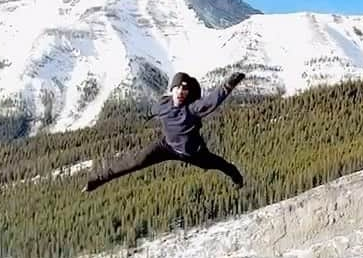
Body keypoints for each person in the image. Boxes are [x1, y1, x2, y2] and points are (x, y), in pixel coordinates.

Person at [84, 70, 246, 193]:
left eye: (185, 91)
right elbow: (152, 110)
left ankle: (237, 177)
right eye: (178, 89)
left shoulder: (192, 108)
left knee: (217, 164)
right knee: (134, 162)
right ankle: (95, 182)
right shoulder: (163, 104)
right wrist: (143, 117)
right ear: (172, 89)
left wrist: (228, 85)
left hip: (192, 152)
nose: (181, 93)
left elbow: (212, 101)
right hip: (166, 146)